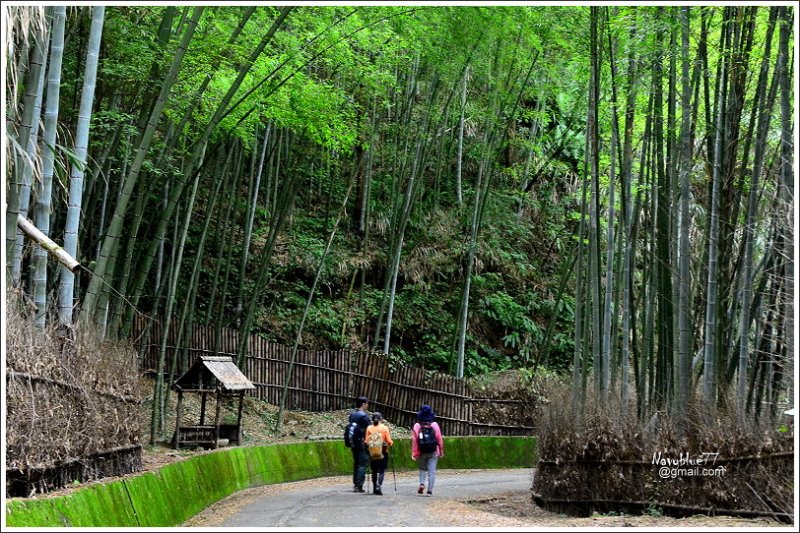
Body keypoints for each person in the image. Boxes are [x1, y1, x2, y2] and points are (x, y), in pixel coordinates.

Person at [411, 404, 444, 496]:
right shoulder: (435, 425)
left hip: (421, 452)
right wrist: (441, 451)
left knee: (422, 469)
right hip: (433, 451)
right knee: (431, 471)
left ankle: (422, 484)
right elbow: (439, 440)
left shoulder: (417, 426)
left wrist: (414, 453)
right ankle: (429, 491)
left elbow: (415, 441)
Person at [364, 412, 393, 495]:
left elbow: (366, 441)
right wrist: (391, 443)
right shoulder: (384, 428)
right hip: (383, 452)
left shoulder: (369, 428)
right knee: (382, 470)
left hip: (373, 452)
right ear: (381, 419)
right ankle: (379, 485)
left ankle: (374, 488)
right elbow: (389, 441)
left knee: (374, 470)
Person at [348, 396, 371, 493]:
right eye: (367, 403)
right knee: (363, 463)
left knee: (356, 462)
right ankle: (359, 485)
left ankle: (355, 483)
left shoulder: (352, 414)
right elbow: (369, 429)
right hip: (362, 443)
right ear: (363, 404)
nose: (367, 405)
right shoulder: (364, 416)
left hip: (353, 442)